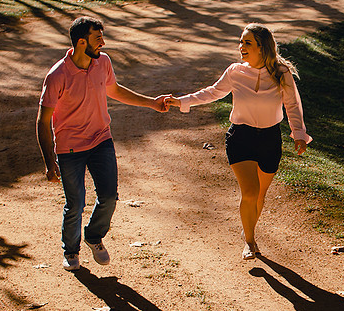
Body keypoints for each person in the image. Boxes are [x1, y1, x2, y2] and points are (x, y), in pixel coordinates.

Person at [37, 16, 174, 271]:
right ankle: (71, 250)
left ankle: (93, 236)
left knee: (109, 196)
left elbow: (116, 90)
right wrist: (49, 162)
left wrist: (151, 103)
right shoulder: (58, 75)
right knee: (75, 204)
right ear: (81, 42)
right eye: (97, 38)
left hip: (101, 139)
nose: (103, 43)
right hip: (69, 148)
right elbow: (43, 120)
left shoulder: (103, 63)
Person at [175, 23, 312, 259]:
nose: (241, 47)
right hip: (241, 136)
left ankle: (248, 229)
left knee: (260, 196)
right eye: (240, 42)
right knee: (250, 192)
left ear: (262, 46)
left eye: (247, 42)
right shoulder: (235, 72)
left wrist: (298, 134)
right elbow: (212, 92)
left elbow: (292, 104)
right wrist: (181, 101)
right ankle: (250, 241)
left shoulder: (281, 72)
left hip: (270, 139)